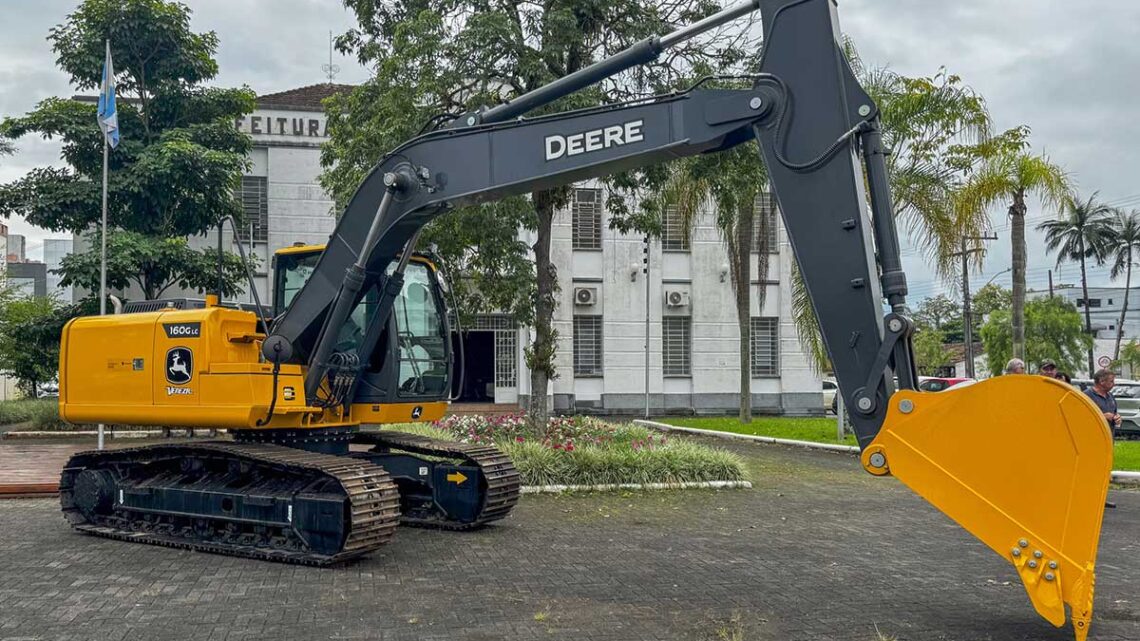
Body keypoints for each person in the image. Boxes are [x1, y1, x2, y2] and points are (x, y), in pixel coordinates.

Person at [1083, 368, 1120, 509]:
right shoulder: (1087, 396)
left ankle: (1101, 498)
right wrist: (1102, 417)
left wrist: (1117, 417)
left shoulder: (1110, 396)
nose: (1113, 384)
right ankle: (1088, 498)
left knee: (1104, 470)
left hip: (1108, 439)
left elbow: (1115, 412)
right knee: (1091, 470)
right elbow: (1081, 416)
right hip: (1092, 441)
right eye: (1111, 381)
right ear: (1101, 381)